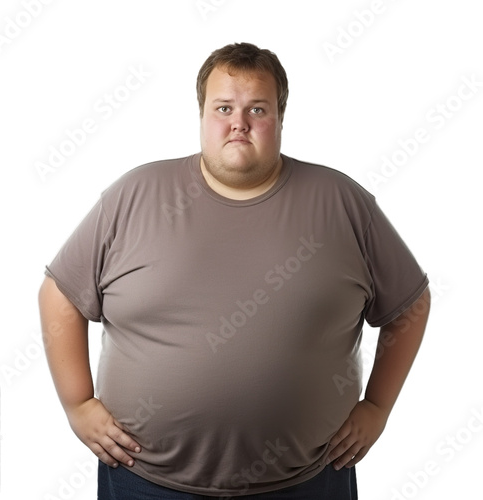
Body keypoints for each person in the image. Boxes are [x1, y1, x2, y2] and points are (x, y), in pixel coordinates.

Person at [38, 42, 430, 499]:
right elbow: (59, 293)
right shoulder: (134, 196)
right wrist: (78, 404)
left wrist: (378, 407)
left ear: (280, 118)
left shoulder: (343, 203)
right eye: (223, 107)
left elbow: (409, 303)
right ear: (203, 115)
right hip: (144, 479)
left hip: (309, 481)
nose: (238, 123)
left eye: (257, 109)